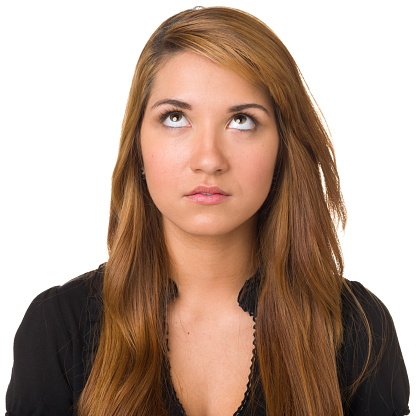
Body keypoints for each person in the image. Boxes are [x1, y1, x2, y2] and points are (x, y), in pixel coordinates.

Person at [5, 6, 410, 416]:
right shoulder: (57, 328)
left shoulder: (359, 330)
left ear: (283, 148)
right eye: (176, 117)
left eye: (242, 120)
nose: (209, 159)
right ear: (138, 144)